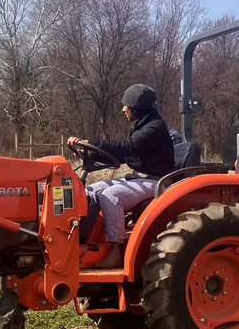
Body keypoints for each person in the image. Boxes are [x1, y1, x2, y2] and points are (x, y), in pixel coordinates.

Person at [68, 83, 175, 268]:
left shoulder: (155, 128)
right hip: (139, 177)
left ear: (136, 107)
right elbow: (125, 153)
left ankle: (115, 251)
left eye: (126, 105)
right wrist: (92, 153)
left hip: (156, 180)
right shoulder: (141, 125)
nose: (123, 109)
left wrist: (92, 142)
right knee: (92, 191)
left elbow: (129, 147)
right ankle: (80, 241)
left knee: (111, 195)